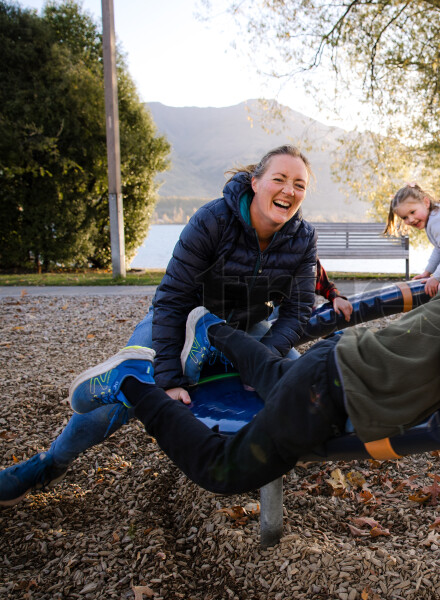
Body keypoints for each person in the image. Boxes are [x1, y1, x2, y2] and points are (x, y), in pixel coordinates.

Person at [65, 233, 440, 495]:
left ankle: (210, 329)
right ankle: (134, 384)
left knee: (272, 375)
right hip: (333, 393)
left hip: (333, 363)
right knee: (222, 470)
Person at [0, 144, 331, 506]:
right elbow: (173, 296)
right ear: (255, 182)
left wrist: (262, 358)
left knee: (304, 390)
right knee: (123, 396)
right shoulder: (214, 220)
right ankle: (49, 464)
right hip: (183, 315)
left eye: (299, 184)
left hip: (245, 327)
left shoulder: (303, 237)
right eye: (279, 179)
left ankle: (263, 456)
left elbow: (298, 309)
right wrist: (169, 379)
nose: (289, 190)